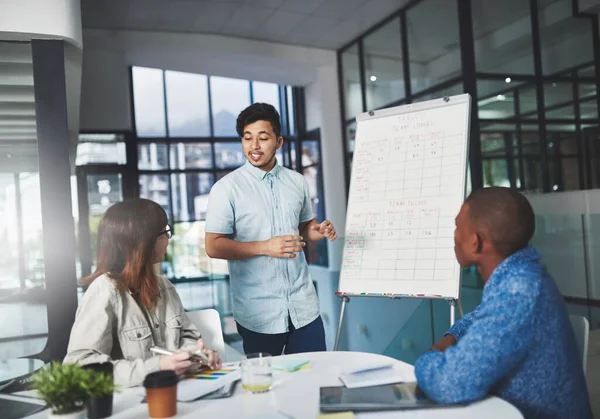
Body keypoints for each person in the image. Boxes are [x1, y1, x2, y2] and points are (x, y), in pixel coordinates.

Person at [414, 187, 592, 418]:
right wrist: (452, 337)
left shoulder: (518, 292)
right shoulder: (521, 272)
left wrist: (426, 359)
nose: (454, 235)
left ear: (475, 242)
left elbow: (452, 384)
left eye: (457, 227)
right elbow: (485, 315)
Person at [205, 102, 336, 356]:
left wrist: (318, 231)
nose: (254, 146)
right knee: (266, 391)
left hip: (304, 308)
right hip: (259, 314)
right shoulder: (227, 189)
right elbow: (213, 246)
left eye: (263, 138)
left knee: (312, 383)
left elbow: (304, 230)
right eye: (247, 138)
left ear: (279, 142)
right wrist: (265, 247)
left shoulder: (297, 182)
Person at [64, 199, 221, 388]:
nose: (168, 239)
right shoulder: (103, 292)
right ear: (143, 242)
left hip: (177, 392)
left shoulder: (165, 287)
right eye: (164, 232)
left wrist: (197, 354)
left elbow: (188, 336)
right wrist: (158, 366)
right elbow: (79, 368)